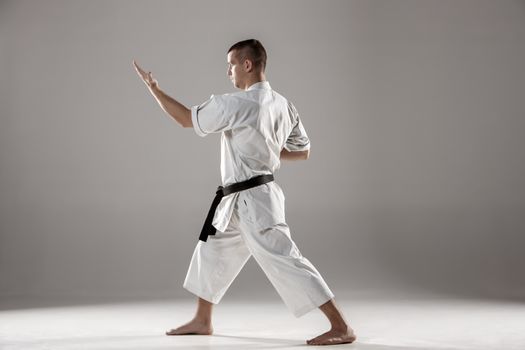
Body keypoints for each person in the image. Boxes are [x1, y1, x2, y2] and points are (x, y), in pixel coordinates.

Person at [133, 39, 356, 346]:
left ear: (247, 65)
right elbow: (303, 151)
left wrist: (154, 90)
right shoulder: (283, 105)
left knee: (287, 261)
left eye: (231, 65)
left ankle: (341, 325)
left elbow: (186, 119)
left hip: (254, 203)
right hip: (240, 200)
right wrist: (269, 154)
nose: (228, 72)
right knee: (210, 251)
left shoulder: (235, 104)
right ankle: (202, 320)